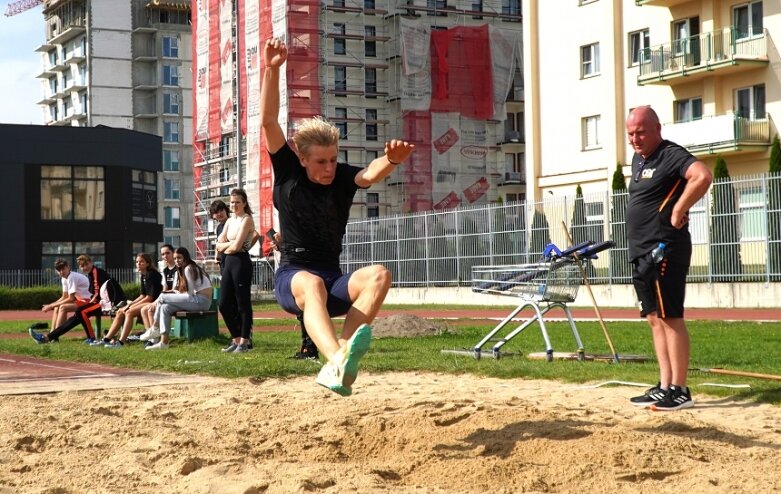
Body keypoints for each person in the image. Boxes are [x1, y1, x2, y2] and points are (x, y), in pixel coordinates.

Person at [260, 37, 415, 396]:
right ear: (303, 159)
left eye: (333, 159)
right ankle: (335, 360)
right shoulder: (288, 172)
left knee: (379, 275)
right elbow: (268, 121)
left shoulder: (342, 176)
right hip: (293, 278)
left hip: (332, 279)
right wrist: (272, 70)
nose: (330, 168)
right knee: (311, 283)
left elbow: (370, 175)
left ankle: (342, 355)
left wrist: (390, 160)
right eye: (321, 161)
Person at [625, 106, 712, 411]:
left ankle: (680, 389)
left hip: (664, 249)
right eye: (631, 133)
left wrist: (679, 209)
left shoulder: (670, 154)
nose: (635, 139)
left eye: (641, 132)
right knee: (654, 318)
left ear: (657, 129)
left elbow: (702, 175)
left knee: (671, 317)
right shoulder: (639, 160)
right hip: (640, 252)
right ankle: (664, 386)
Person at [140, 247, 213, 350]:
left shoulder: (189, 268)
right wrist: (174, 294)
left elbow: (189, 293)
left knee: (162, 297)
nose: (176, 260)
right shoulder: (185, 269)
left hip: (202, 301)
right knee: (165, 307)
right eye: (175, 258)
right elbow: (184, 292)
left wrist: (170, 296)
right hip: (197, 299)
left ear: (185, 257)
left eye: (179, 257)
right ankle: (163, 343)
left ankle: (155, 328)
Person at [216, 189, 256, 353]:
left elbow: (237, 246)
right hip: (228, 263)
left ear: (244, 203)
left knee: (242, 303)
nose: (234, 205)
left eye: (237, 202)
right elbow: (218, 245)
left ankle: (244, 342)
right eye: (232, 202)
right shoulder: (230, 221)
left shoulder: (246, 220)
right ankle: (236, 339)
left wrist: (227, 245)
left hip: (241, 262)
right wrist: (228, 244)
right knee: (224, 303)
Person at [97, 253, 163, 348]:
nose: (138, 264)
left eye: (141, 262)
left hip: (154, 302)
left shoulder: (151, 275)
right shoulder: (143, 275)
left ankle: (121, 342)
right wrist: (130, 304)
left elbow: (149, 298)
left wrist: (129, 307)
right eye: (137, 262)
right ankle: (107, 339)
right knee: (120, 311)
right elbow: (142, 295)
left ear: (147, 263)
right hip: (148, 301)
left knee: (129, 312)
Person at [32, 259, 92, 344]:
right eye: (58, 270)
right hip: (81, 300)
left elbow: (71, 298)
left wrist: (50, 306)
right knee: (57, 307)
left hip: (89, 301)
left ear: (68, 267)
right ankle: (52, 334)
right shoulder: (64, 278)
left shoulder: (72, 277)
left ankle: (54, 337)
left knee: (63, 307)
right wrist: (52, 305)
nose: (61, 272)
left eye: (63, 269)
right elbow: (64, 297)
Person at [140, 243, 177, 336]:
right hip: (166, 298)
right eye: (163, 254)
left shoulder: (178, 269)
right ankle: (151, 336)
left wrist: (157, 301)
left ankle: (155, 335)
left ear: (173, 253)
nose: (165, 256)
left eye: (167, 253)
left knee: (150, 309)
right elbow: (164, 289)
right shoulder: (165, 270)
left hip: (176, 298)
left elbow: (174, 289)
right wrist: (157, 301)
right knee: (145, 309)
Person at [209, 199, 230, 269]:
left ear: (225, 210)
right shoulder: (218, 228)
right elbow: (218, 243)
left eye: (221, 211)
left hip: (233, 260)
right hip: (223, 263)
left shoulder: (233, 222)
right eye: (217, 212)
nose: (219, 214)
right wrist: (216, 256)